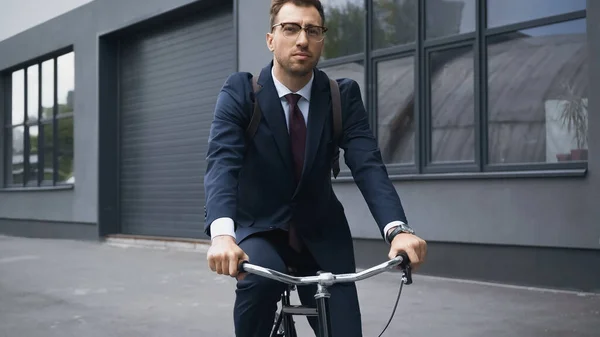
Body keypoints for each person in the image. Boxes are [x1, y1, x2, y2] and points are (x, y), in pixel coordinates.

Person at [203, 0, 427, 336]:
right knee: (258, 284)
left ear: (322, 39)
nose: (302, 39)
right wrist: (222, 236)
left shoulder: (341, 96)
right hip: (260, 230)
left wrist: (398, 230)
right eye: (290, 28)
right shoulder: (240, 93)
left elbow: (368, 165)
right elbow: (222, 162)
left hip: (322, 235)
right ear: (270, 39)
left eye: (313, 30)